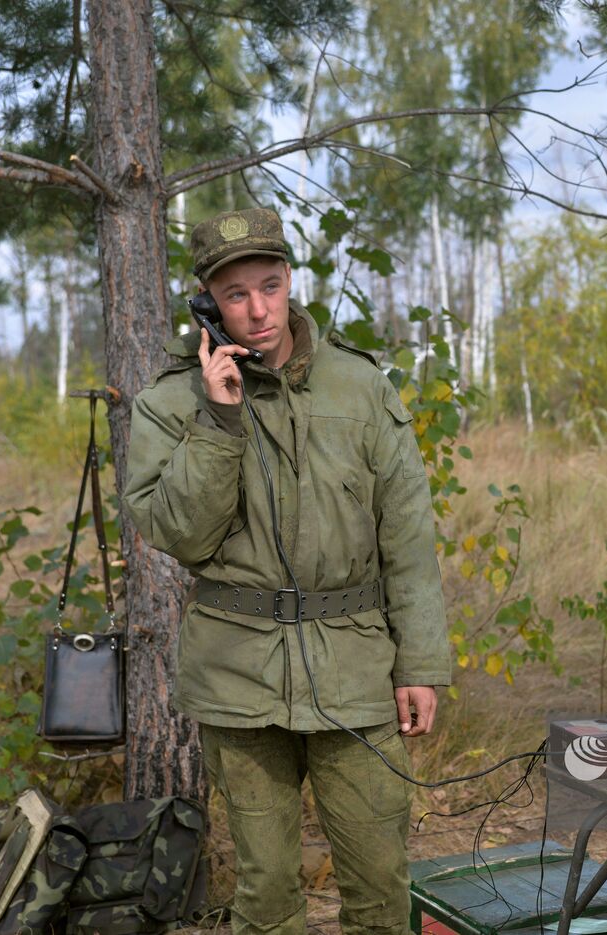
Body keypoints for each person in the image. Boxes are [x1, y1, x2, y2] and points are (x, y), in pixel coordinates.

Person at [123, 206, 450, 935]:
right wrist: (219, 421)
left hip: (356, 669)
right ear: (208, 298)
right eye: (235, 294)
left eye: (269, 285)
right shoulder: (174, 400)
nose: (258, 309)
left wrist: (421, 661)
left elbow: (408, 535)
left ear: (291, 280)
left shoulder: (359, 386)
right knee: (268, 898)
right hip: (239, 675)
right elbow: (177, 530)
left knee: (379, 885)